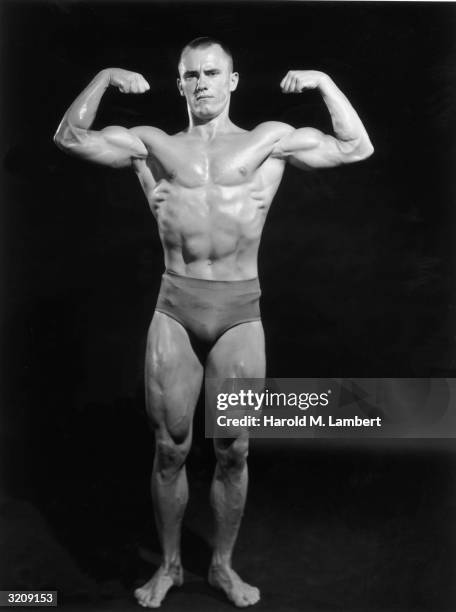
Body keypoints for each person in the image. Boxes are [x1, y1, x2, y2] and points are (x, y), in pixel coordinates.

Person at [54, 36, 373, 608]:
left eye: (211, 73)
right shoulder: (151, 145)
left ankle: (223, 567)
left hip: (239, 312)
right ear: (179, 84)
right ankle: (171, 566)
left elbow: (355, 147)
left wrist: (323, 81)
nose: (201, 83)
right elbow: (70, 137)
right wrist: (103, 75)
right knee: (169, 447)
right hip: (175, 307)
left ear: (232, 81)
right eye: (191, 75)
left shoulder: (268, 141)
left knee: (234, 447)